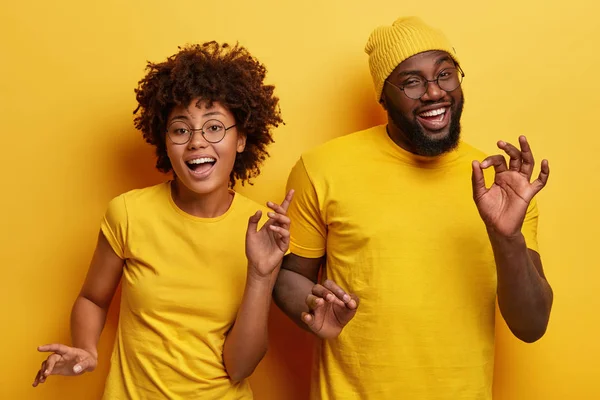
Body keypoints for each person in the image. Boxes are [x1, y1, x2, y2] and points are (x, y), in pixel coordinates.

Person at [273, 16, 553, 400]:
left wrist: (507, 237)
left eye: (445, 74)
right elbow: (289, 276)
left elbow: (532, 325)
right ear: (383, 96)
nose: (434, 92)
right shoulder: (321, 169)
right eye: (411, 82)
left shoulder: (501, 186)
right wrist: (311, 306)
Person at [32, 41, 293, 399]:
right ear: (164, 141)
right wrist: (87, 350)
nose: (197, 142)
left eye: (214, 127)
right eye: (181, 129)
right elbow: (93, 298)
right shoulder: (128, 213)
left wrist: (261, 276)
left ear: (242, 139)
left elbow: (239, 367)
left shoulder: (260, 229)